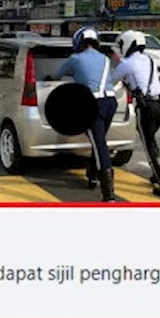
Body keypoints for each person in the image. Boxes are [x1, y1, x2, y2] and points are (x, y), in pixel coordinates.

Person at [44, 26, 119, 202]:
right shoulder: (105, 59)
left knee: (100, 145)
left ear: (79, 42)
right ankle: (92, 175)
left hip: (92, 105)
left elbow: (56, 75)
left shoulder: (75, 59)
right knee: (99, 140)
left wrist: (48, 78)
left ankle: (109, 195)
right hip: (111, 103)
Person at [112, 30, 160, 198]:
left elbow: (111, 80)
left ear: (127, 44)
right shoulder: (150, 59)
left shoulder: (126, 63)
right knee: (151, 140)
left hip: (147, 106)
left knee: (149, 145)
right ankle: (157, 173)